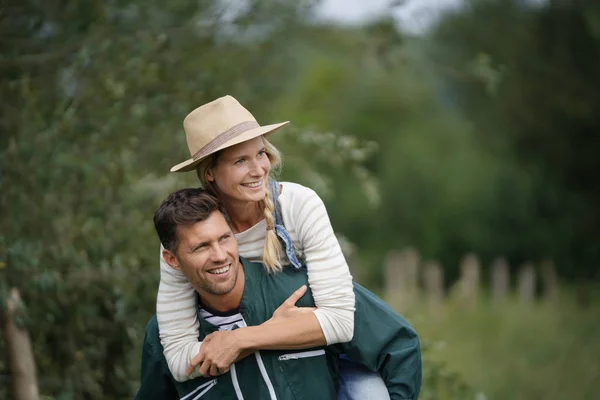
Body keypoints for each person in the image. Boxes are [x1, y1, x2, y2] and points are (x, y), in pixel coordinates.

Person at [156, 95, 378, 397]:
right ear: (210, 172)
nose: (259, 169)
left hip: (337, 353)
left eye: (260, 153)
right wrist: (262, 335)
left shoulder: (299, 206)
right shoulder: (190, 233)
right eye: (240, 161)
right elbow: (180, 360)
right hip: (270, 366)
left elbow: (339, 322)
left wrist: (240, 340)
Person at [136, 188, 421, 399]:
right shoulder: (164, 337)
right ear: (172, 260)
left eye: (225, 239)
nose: (220, 255)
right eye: (201, 247)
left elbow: (399, 345)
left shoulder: (303, 293)